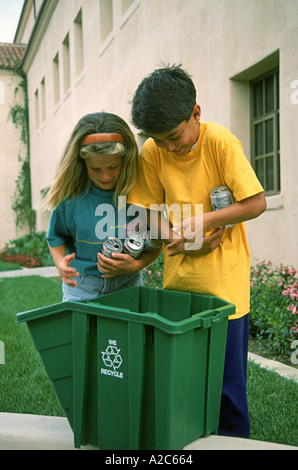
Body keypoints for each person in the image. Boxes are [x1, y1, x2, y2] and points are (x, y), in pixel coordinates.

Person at [128, 65, 267, 438]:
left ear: (196, 113)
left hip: (226, 293)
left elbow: (255, 203)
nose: (169, 147)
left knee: (227, 391)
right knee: (183, 387)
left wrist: (205, 221)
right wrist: (181, 238)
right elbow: (143, 211)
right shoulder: (152, 152)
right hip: (179, 289)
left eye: (174, 136)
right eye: (160, 140)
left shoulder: (221, 143)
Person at [44, 112, 161, 302]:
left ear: (126, 159)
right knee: (81, 332)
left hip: (128, 284)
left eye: (113, 167)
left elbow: (155, 242)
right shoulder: (70, 197)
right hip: (81, 285)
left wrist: (135, 266)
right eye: (95, 169)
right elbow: (56, 236)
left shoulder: (139, 192)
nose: (105, 176)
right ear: (83, 164)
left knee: (126, 332)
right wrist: (60, 264)